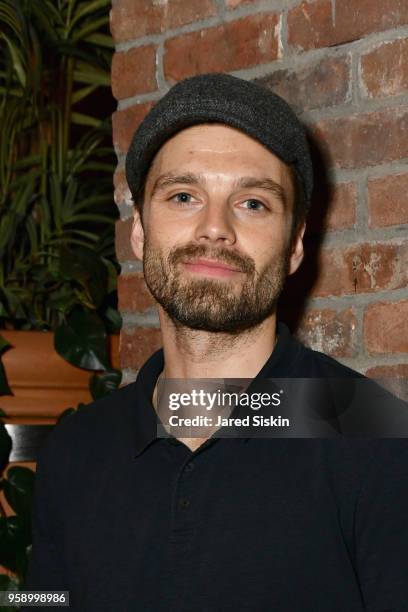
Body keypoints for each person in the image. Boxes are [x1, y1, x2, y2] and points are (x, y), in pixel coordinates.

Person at [23, 74, 408, 611]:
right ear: (139, 232)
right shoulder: (75, 448)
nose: (214, 228)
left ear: (295, 247)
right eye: (184, 196)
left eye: (252, 203)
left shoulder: (377, 440)